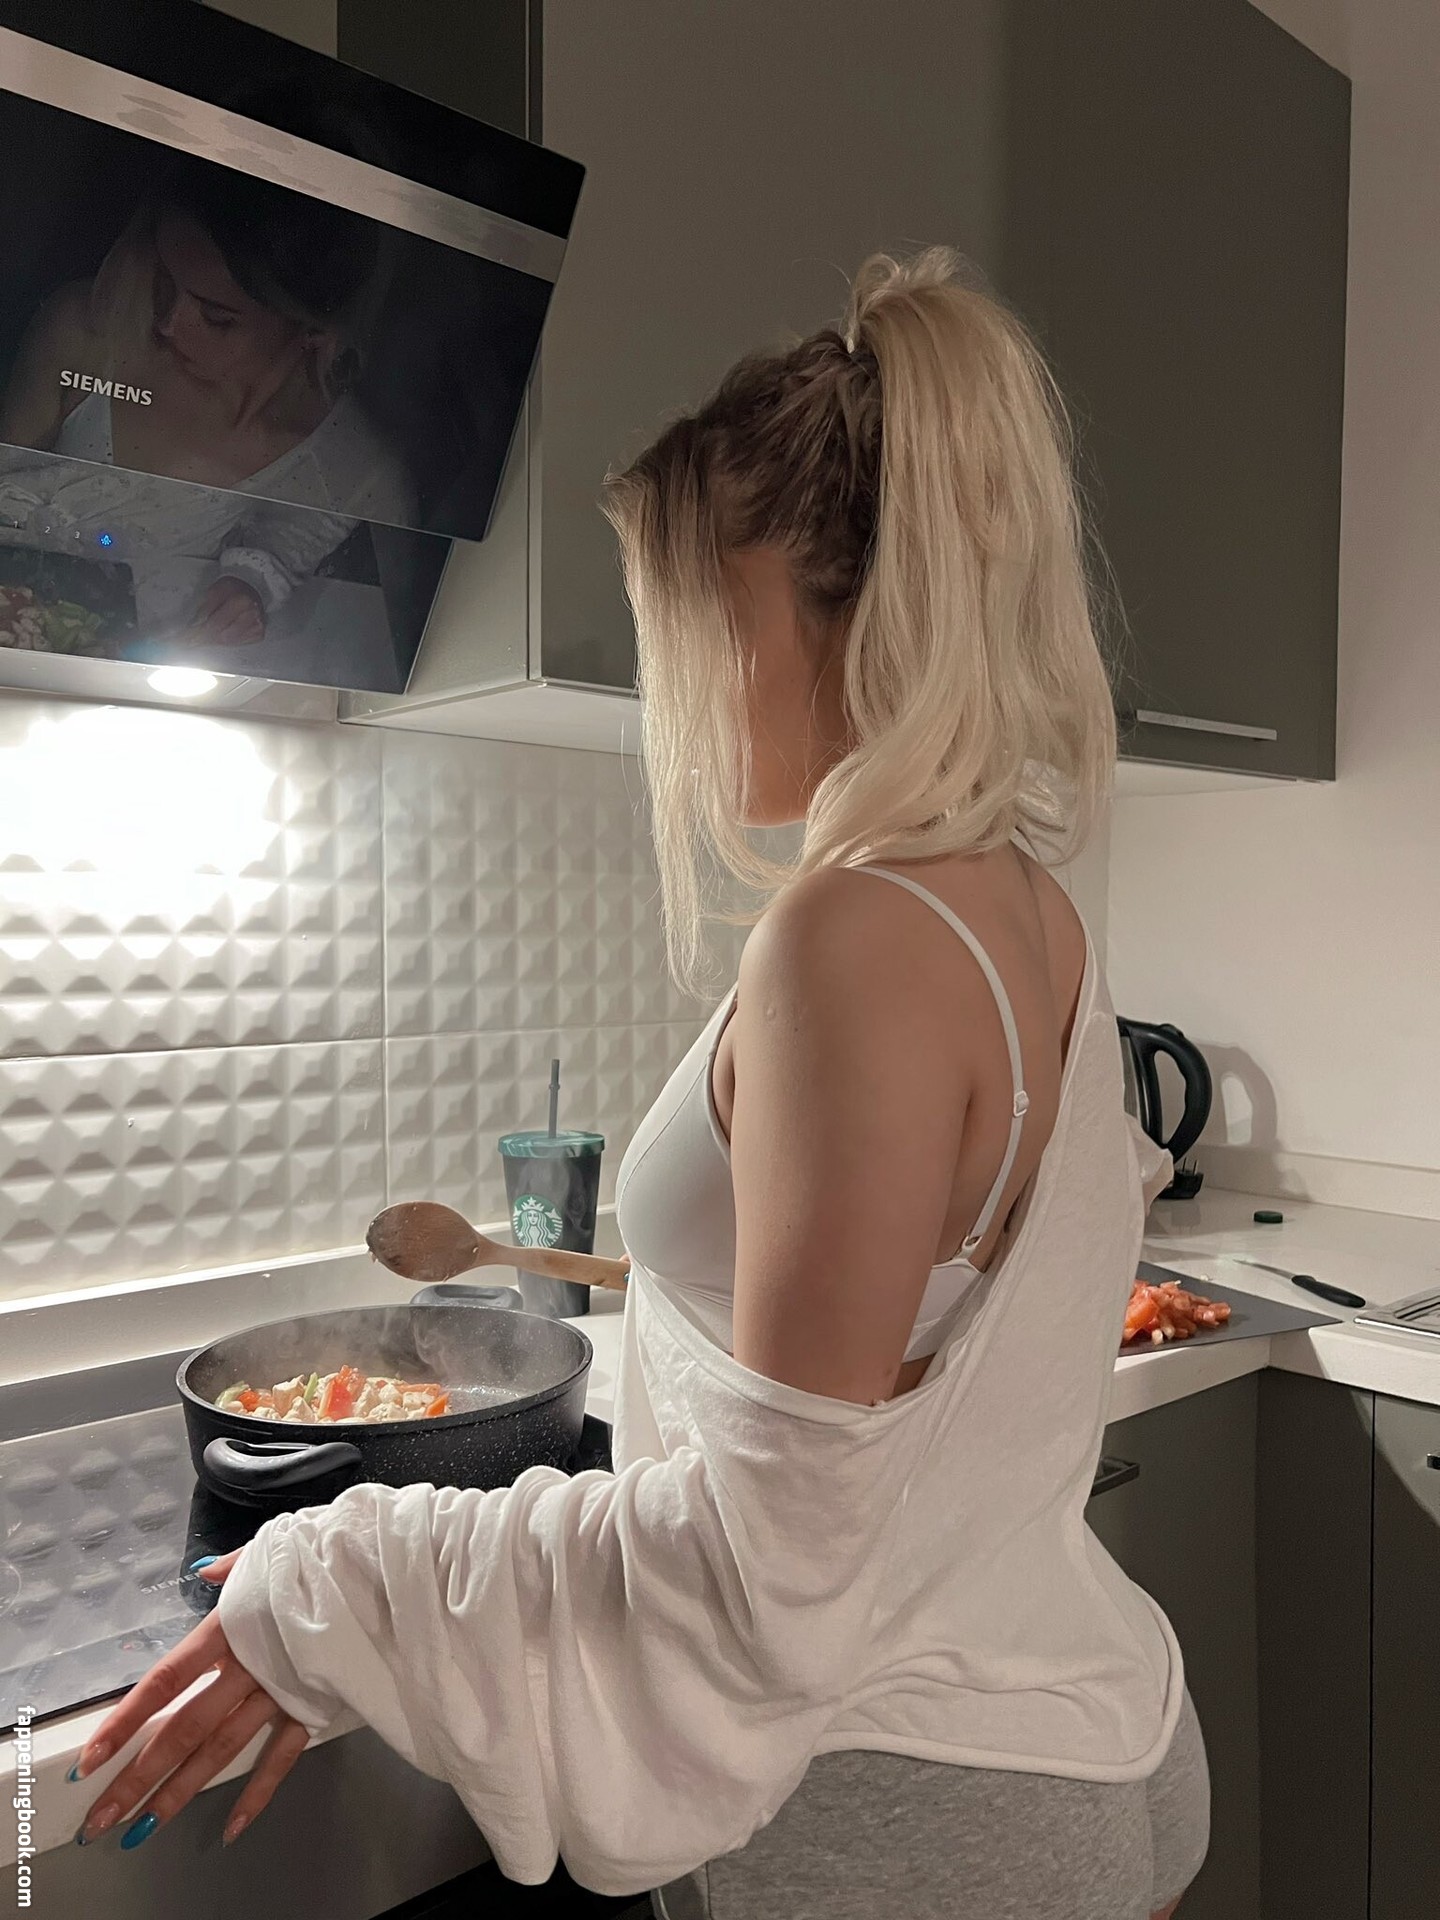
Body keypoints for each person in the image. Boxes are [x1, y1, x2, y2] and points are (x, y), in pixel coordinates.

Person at [72, 249, 1210, 1918]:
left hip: (910, 1809)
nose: (677, 683)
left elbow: (759, 1580)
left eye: (700, 622)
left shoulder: (858, 935)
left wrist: (332, 1584)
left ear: (830, 606)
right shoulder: (1020, 905)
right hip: (1071, 1723)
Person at [0, 162, 413, 653]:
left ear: (314, 330)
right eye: (165, 279)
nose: (169, 323)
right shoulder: (90, 330)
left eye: (216, 316)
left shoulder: (346, 462)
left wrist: (246, 587)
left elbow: (294, 540)